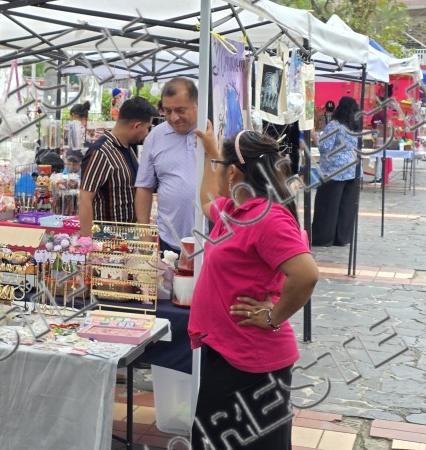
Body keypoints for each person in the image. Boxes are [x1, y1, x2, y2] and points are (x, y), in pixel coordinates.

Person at [190, 122, 319, 450]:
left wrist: (273, 316)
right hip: (228, 350)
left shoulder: (267, 217)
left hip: (253, 360)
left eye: (220, 166)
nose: (217, 171)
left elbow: (306, 274)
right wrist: (210, 153)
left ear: (233, 172)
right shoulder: (233, 210)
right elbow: (205, 201)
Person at [135, 77, 198, 253]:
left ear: (196, 105)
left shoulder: (214, 132)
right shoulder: (155, 137)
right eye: (167, 111)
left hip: (212, 240)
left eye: (180, 110)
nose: (173, 117)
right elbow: (144, 187)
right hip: (169, 241)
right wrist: (144, 235)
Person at [79, 97, 157, 236]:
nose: (148, 133)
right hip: (106, 237)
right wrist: (87, 242)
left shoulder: (127, 148)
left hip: (127, 235)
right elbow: (85, 198)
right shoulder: (101, 152)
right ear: (137, 126)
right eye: (148, 128)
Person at [312, 96, 361, 246]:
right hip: (353, 169)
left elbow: (325, 147)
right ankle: (342, 238)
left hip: (334, 171)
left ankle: (324, 238)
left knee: (327, 206)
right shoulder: (355, 126)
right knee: (346, 207)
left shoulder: (334, 125)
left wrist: (314, 136)